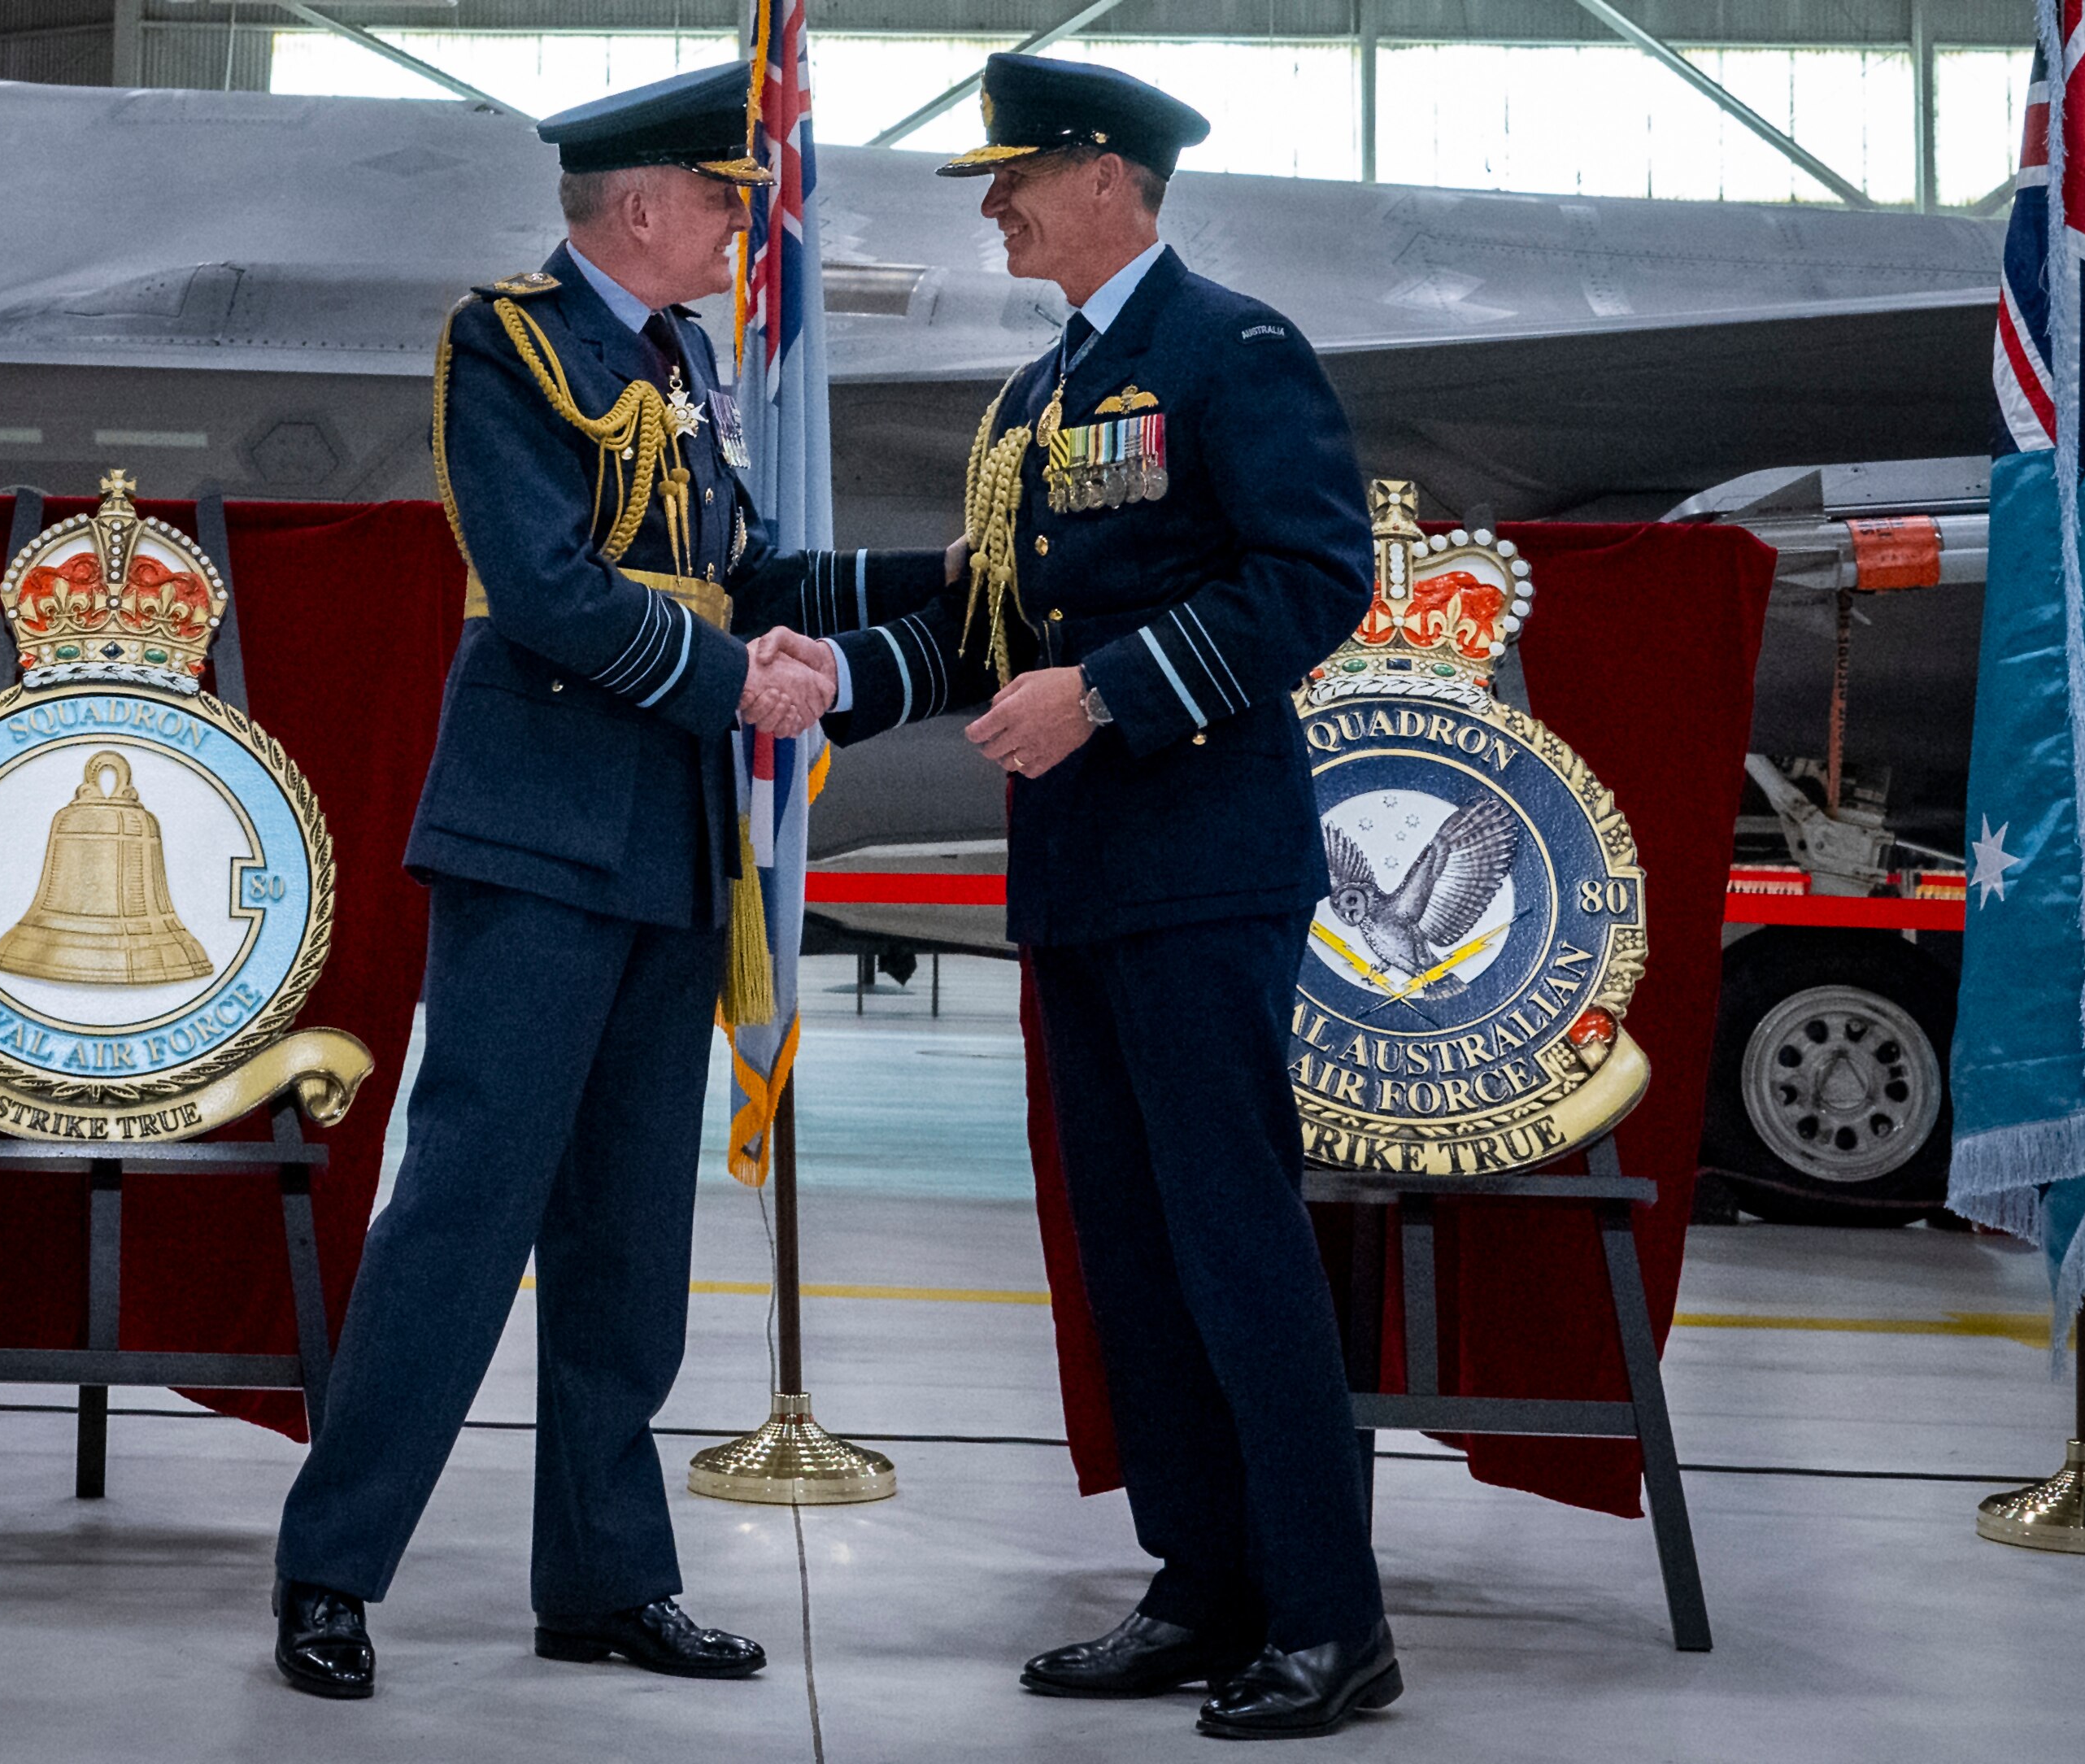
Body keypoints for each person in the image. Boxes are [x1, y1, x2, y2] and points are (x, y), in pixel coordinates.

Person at [268, 61, 962, 1700]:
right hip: (537, 835)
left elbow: (749, 575)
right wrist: (747, 687)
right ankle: (330, 1564)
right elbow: (552, 594)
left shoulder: (683, 362)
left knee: (629, 1241)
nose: (745, 228)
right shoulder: (508, 347)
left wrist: (952, 571)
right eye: (729, 201)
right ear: (641, 205)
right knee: (460, 1217)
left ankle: (604, 1575)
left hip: (665, 840)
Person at [764, 52, 1399, 1743]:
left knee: (1235, 1236)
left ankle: (1331, 1617)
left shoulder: (1231, 350)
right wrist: (837, 672)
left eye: (1018, 174)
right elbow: (992, 620)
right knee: (1130, 1247)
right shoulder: (1035, 400)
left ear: (1109, 175)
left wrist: (1112, 688)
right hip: (1087, 880)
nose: (993, 204)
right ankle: (1203, 1580)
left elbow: (1318, 574)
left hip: (1203, 863)